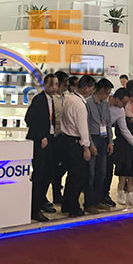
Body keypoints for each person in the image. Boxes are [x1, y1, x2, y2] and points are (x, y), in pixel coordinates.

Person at [59, 74, 96, 217]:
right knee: (79, 176)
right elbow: (82, 128)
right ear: (86, 88)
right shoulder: (80, 105)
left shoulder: (68, 98)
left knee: (72, 175)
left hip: (66, 140)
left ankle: (66, 204)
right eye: (91, 88)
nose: (92, 91)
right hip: (75, 143)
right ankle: (73, 207)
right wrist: (86, 147)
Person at [25, 73, 59, 222]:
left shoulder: (51, 100)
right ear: (45, 85)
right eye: (51, 84)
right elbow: (29, 119)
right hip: (40, 141)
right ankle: (34, 208)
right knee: (39, 175)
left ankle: (40, 203)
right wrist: (41, 136)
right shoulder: (39, 99)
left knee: (48, 173)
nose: (54, 87)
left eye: (56, 84)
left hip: (50, 139)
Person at [84, 78, 115, 213]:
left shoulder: (105, 104)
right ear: (102, 90)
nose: (108, 96)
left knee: (101, 173)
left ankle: (98, 200)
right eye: (107, 92)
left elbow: (108, 124)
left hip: (103, 139)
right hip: (93, 138)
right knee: (90, 173)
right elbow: (85, 126)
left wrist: (110, 141)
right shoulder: (88, 103)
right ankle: (89, 203)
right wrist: (90, 144)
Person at [111, 87, 133, 205]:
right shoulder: (123, 107)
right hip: (123, 142)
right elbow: (122, 129)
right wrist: (130, 119)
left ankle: (130, 192)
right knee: (123, 166)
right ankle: (121, 191)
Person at [49, 70, 70, 205]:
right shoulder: (51, 99)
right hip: (54, 137)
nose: (67, 84)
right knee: (54, 167)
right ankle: (56, 194)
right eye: (65, 82)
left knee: (63, 166)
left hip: (65, 136)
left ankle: (58, 191)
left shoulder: (67, 97)